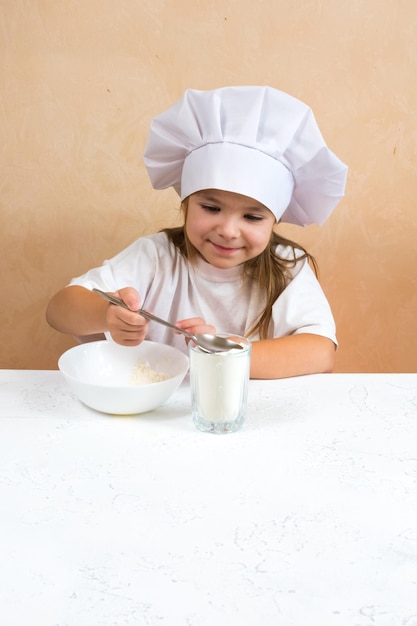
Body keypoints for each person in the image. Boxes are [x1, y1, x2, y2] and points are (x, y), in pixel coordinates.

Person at [46, 86, 348, 379]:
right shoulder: (157, 255)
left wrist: (229, 354)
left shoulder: (288, 265)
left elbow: (321, 352)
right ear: (186, 203)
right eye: (211, 209)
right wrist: (105, 315)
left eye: (252, 216)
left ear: (275, 220)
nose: (228, 231)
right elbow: (59, 310)